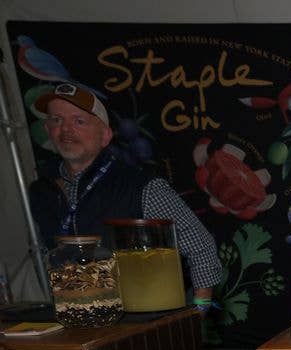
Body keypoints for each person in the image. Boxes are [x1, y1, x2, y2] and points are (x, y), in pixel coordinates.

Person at [28, 83, 222, 310]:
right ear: (47, 129)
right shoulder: (41, 191)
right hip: (77, 319)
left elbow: (201, 247)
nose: (66, 129)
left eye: (79, 121)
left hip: (140, 325)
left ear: (106, 135)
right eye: (56, 120)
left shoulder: (142, 186)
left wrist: (198, 312)